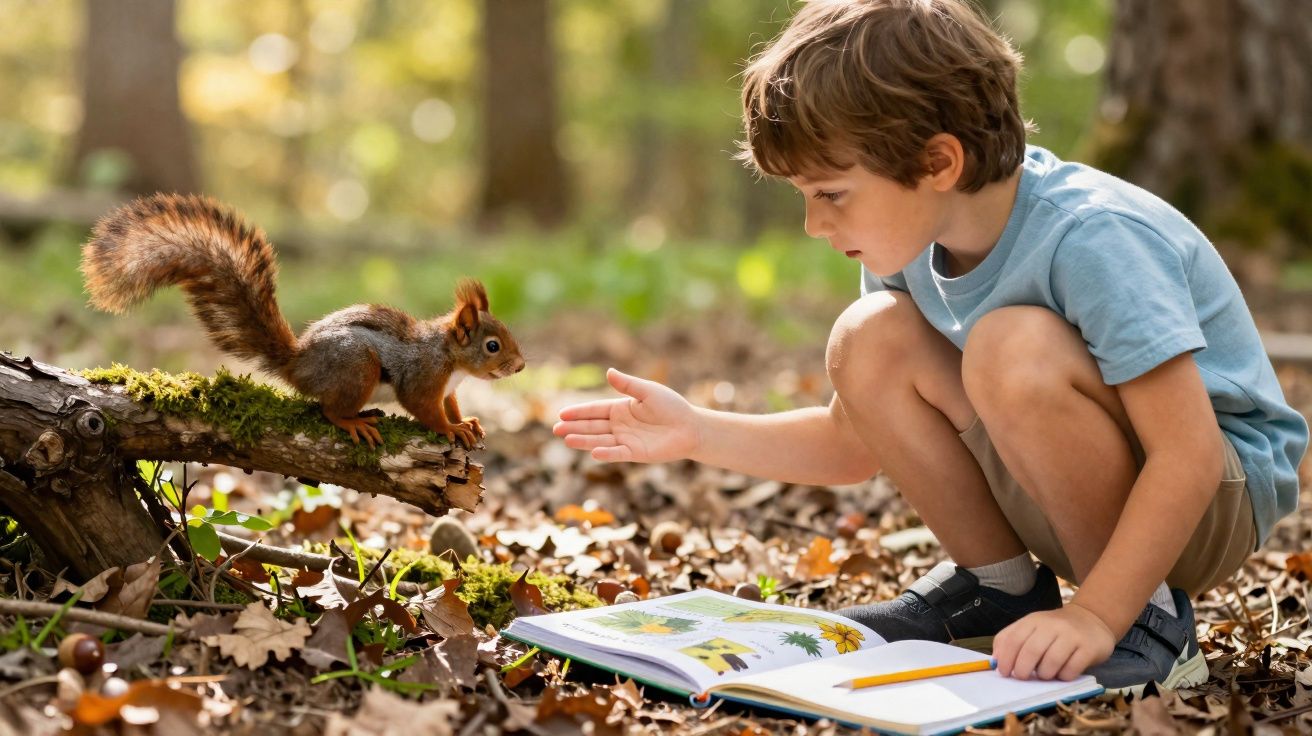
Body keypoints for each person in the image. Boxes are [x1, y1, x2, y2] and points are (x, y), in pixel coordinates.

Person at [553, 0, 1307, 693]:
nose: (814, 226)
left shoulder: (1092, 237)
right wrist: (698, 432)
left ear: (938, 163)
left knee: (1010, 345)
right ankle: (999, 589)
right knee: (869, 340)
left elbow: (1190, 454)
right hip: (1091, 487)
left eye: (832, 194)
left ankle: (1151, 622)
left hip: (1206, 500)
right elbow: (853, 445)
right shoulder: (913, 246)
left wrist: (1100, 615)